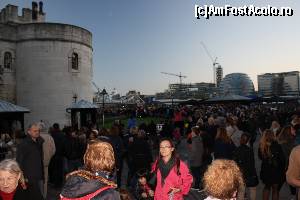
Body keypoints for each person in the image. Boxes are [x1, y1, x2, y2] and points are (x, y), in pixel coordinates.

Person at [16, 123, 44, 196]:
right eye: (35, 131)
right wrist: (22, 176)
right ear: (29, 132)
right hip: (29, 177)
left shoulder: (39, 142)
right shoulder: (24, 144)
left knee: (40, 195)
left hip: (39, 175)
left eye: (38, 131)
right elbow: (19, 161)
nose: (37, 132)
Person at [258, 129, 285, 200]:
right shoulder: (277, 145)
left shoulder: (262, 146)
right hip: (276, 170)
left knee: (267, 187)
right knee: (275, 189)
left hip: (266, 169)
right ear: (273, 135)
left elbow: (260, 157)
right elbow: (282, 159)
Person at [233, 133, 258, 200]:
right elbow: (252, 164)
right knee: (253, 190)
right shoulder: (250, 150)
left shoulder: (237, 150)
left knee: (241, 192)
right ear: (248, 140)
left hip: (241, 173)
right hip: (250, 173)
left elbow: (235, 163)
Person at [38, 122, 56, 199]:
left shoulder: (35, 137)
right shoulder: (49, 137)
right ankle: (43, 196)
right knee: (45, 180)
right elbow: (54, 150)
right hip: (46, 162)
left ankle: (38, 195)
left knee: (36, 180)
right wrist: (48, 157)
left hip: (36, 163)